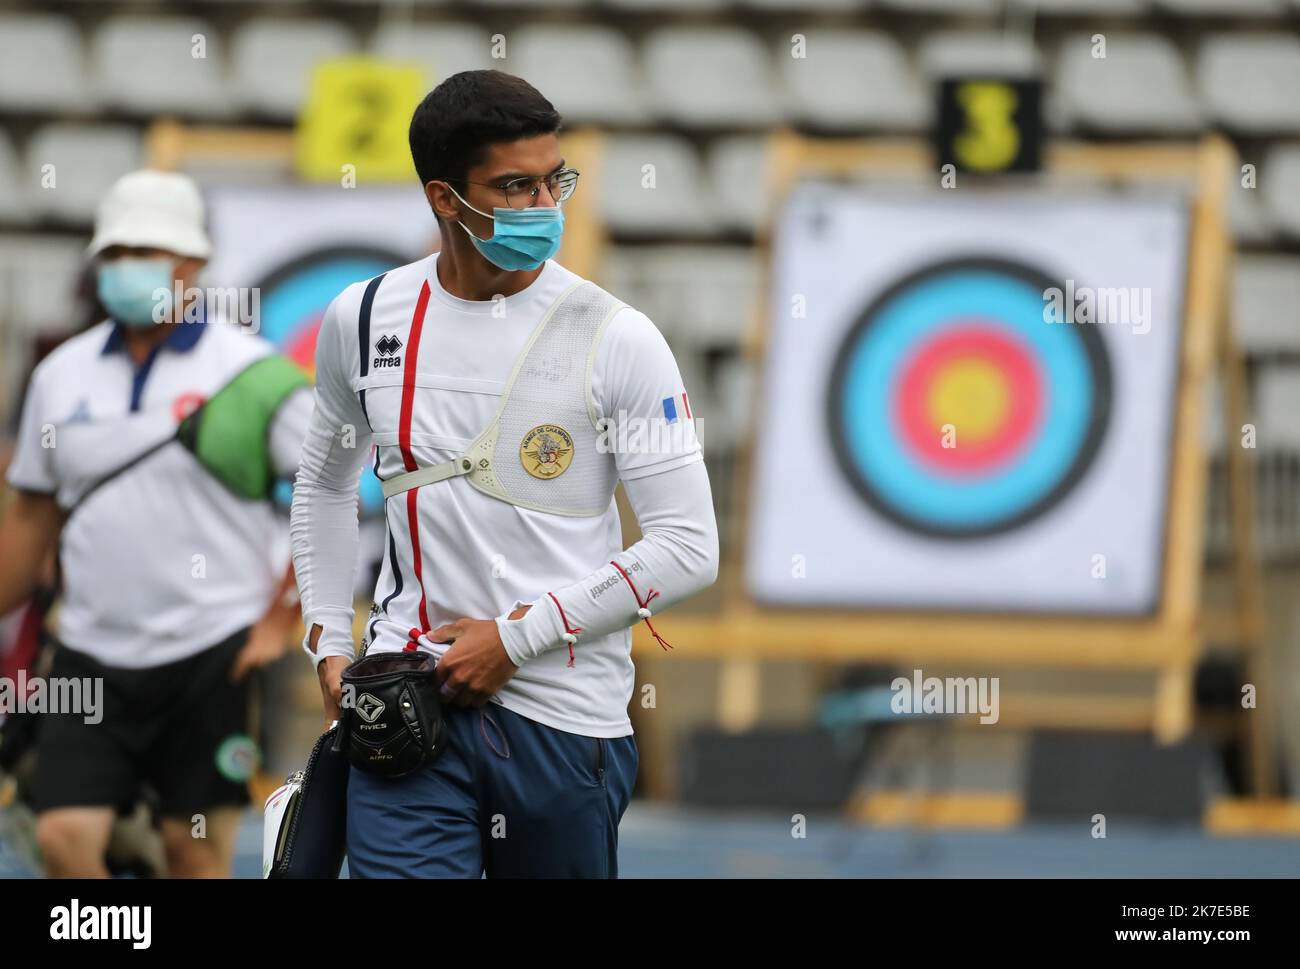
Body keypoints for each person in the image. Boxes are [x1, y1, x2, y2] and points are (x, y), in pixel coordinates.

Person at [291, 70, 719, 878]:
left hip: (565, 718)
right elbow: (324, 480)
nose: (543, 207)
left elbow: (689, 546)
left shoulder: (618, 337)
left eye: (554, 180)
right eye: (514, 187)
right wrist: (326, 643)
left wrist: (512, 639)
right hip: (405, 706)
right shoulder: (365, 314)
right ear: (444, 199)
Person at [0, 170, 311, 877]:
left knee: (192, 852)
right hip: (89, 651)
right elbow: (30, 516)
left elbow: (325, 500)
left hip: (212, 651)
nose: (126, 267)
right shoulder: (62, 373)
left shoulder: (256, 375)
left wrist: (278, 620)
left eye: (147, 250)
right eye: (114, 253)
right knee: (62, 839)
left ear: (194, 264)